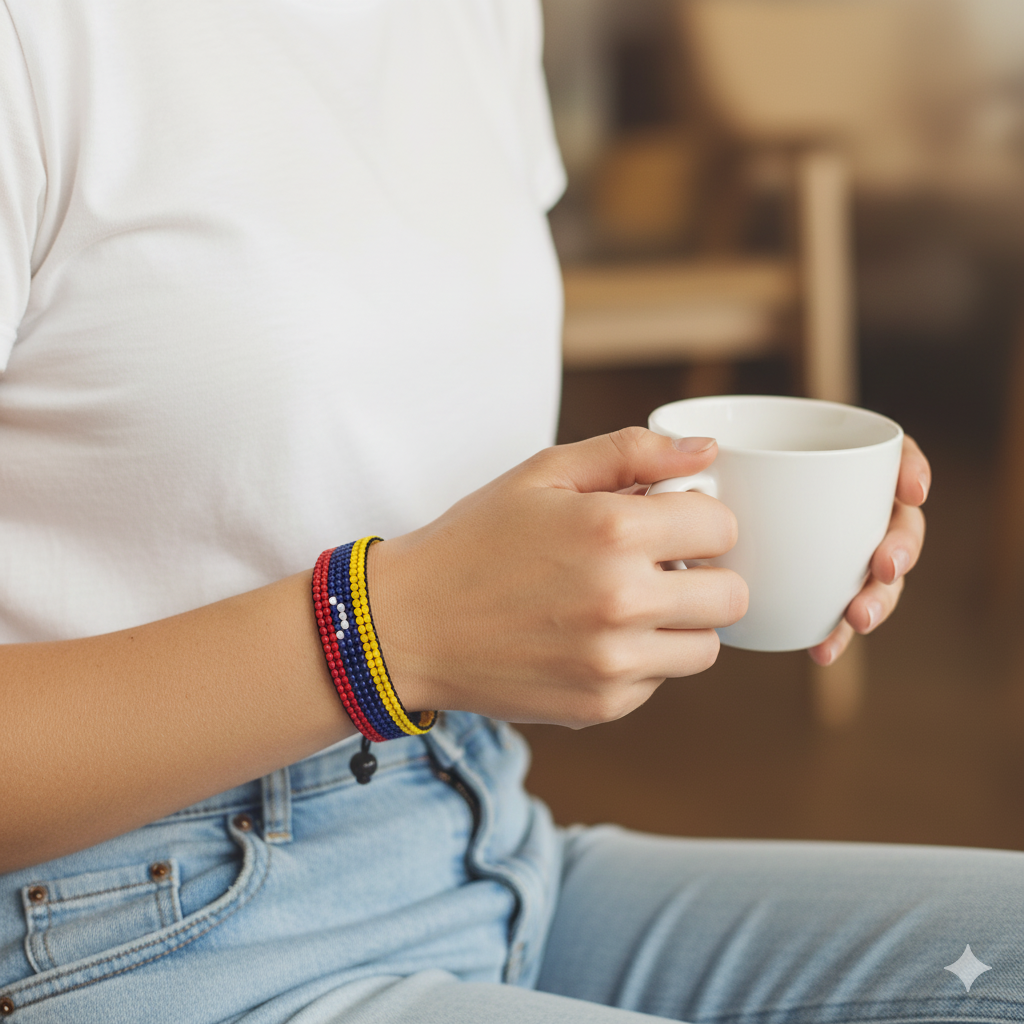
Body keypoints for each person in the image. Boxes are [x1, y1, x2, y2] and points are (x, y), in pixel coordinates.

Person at [1, 2, 1020, 1023]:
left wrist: (674, 526)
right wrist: (391, 634)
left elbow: (376, 416)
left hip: (476, 834)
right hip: (119, 929)